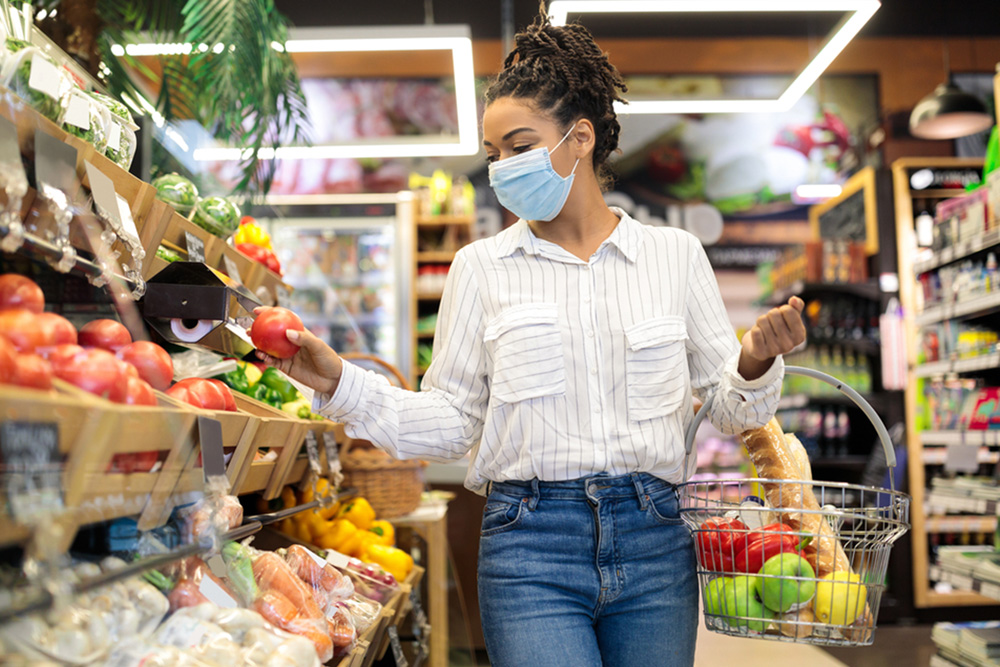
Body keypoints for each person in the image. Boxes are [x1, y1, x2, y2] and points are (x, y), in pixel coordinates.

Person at [256, 11, 806, 667]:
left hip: (655, 537)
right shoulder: (481, 268)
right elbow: (455, 419)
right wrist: (340, 381)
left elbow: (731, 405)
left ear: (579, 138)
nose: (502, 169)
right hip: (529, 544)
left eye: (519, 147)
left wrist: (755, 356)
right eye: (493, 155)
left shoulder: (676, 256)